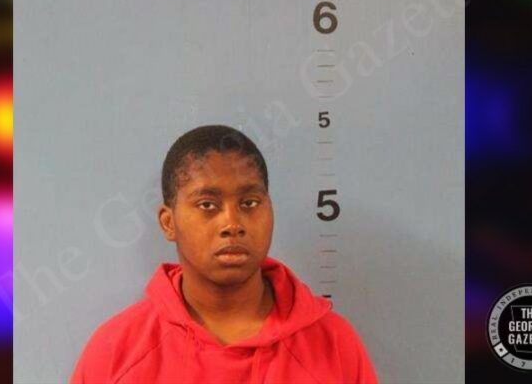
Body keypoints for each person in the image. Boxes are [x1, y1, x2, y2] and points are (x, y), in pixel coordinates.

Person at [71, 125, 378, 383]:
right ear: (168, 222)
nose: (232, 224)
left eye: (249, 203)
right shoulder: (116, 353)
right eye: (207, 205)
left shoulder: (334, 345)